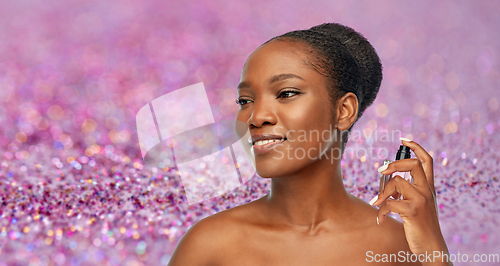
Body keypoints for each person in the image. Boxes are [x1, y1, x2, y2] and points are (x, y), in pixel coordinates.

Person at [168, 23, 451, 265]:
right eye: (245, 101)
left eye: (286, 93)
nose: (256, 117)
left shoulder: (399, 247)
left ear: (344, 111)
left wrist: (433, 251)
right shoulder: (209, 246)